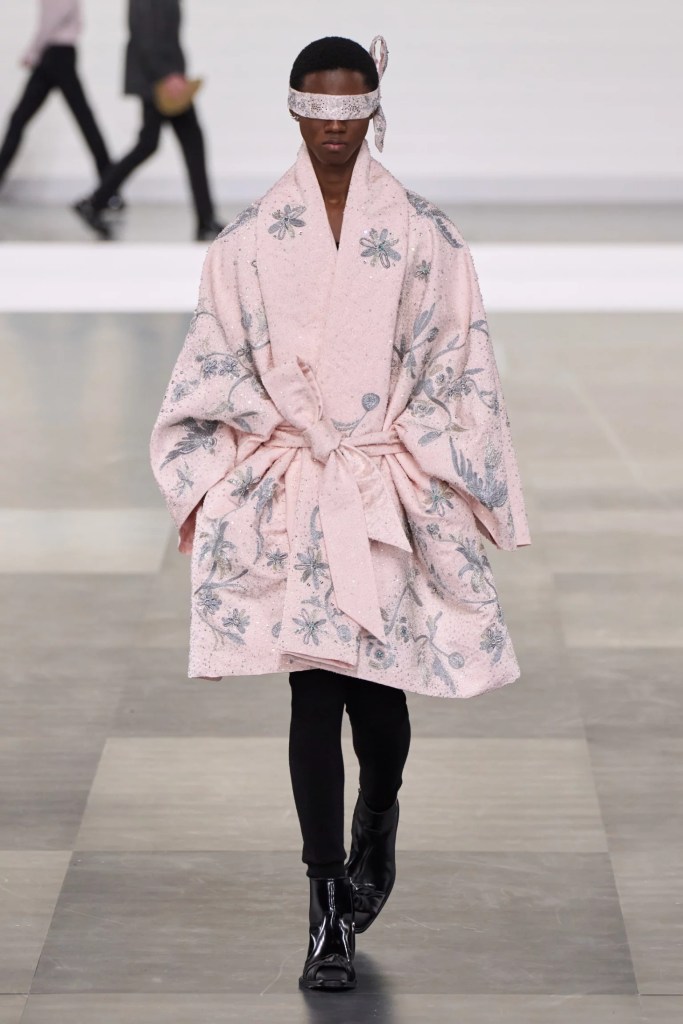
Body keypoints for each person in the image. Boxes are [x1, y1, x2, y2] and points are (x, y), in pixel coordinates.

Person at [150, 35, 530, 992]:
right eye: (317, 111)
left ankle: (380, 813)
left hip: (381, 483)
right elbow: (213, 360)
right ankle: (325, 905)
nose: (332, 129)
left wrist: (425, 458)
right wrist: (240, 461)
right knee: (314, 694)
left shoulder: (423, 235)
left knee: (379, 696)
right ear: (293, 109)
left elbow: (459, 359)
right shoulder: (247, 241)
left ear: (372, 109)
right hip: (297, 486)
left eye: (350, 111)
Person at [74, 0, 222, 241]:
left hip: (163, 79)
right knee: (184, 142)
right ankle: (205, 220)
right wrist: (167, 75)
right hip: (159, 82)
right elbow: (144, 35)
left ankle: (95, 202)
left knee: (151, 143)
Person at [0, 0, 119, 207]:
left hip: (57, 55)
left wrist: (32, 51)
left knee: (84, 121)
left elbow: (51, 20)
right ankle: (110, 189)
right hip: (56, 54)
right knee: (21, 119)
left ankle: (110, 189)